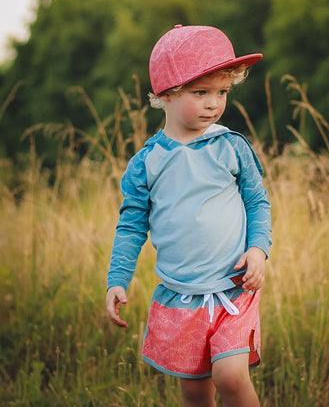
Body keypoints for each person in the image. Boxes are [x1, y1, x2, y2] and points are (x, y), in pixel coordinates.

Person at [106, 24, 272, 407]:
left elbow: (257, 203)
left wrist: (259, 250)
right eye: (201, 92)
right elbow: (131, 225)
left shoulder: (231, 146)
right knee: (196, 391)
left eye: (222, 92)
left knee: (230, 377)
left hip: (234, 289)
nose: (214, 103)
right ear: (165, 94)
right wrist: (118, 278)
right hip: (180, 295)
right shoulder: (147, 163)